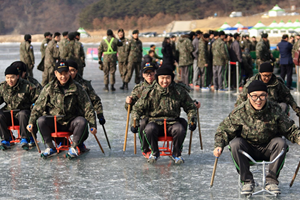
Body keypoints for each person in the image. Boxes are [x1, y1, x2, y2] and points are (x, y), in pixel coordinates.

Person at [214, 80, 300, 195]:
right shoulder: (240, 112)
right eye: (254, 96)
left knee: (281, 143)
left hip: (269, 149)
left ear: (267, 95)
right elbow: (224, 130)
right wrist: (219, 145)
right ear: (248, 96)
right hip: (248, 149)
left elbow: (290, 129)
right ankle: (247, 181)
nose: (258, 100)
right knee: (235, 144)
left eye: (262, 96)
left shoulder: (275, 109)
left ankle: (271, 181)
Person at [27, 61, 97, 158]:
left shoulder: (77, 88)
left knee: (82, 121)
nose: (63, 77)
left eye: (65, 73)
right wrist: (31, 122)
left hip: (71, 122)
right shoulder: (49, 88)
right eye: (61, 74)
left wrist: (93, 125)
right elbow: (38, 106)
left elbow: (87, 107)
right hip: (55, 123)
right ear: (56, 73)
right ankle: (51, 147)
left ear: (69, 73)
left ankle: (73, 147)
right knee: (41, 120)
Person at [130, 66, 197, 164]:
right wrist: (134, 123)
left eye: (168, 78)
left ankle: (176, 153)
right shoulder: (150, 92)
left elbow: (190, 107)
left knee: (180, 129)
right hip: (155, 123)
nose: (165, 81)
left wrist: (192, 120)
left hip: (172, 122)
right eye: (162, 78)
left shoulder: (178, 91)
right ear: (157, 78)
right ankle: (155, 152)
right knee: (149, 129)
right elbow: (137, 109)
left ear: (171, 78)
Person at [235, 62, 300, 116]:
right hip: (257, 108)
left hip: (273, 109)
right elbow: (242, 98)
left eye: (269, 75)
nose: (267, 78)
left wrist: (297, 110)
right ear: (260, 73)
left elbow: (287, 96)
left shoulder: (277, 82)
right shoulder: (252, 82)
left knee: (284, 106)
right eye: (264, 75)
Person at [0, 65, 40, 150]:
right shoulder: (3, 87)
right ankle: (5, 139)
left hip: (23, 114)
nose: (9, 80)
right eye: (7, 78)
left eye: (12, 77)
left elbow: (39, 100)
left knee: (23, 114)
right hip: (9, 114)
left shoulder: (27, 86)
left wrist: (33, 107)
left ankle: (25, 138)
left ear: (17, 76)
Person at [125, 63, 157, 158]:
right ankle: (145, 149)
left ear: (155, 73)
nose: (149, 75)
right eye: (146, 73)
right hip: (145, 116)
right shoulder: (139, 89)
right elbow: (130, 108)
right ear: (143, 75)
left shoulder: (161, 86)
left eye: (151, 73)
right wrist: (128, 102)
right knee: (142, 123)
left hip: (159, 115)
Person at [68, 59, 105, 126]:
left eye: (72, 70)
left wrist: (100, 115)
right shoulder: (59, 85)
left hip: (80, 118)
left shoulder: (84, 85)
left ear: (76, 71)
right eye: (67, 71)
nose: (70, 73)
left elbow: (95, 100)